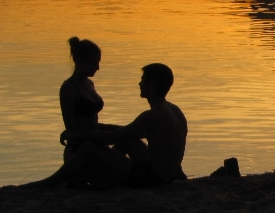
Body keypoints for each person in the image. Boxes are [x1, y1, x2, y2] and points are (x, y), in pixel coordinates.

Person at [26, 57, 187, 189]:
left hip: (151, 179)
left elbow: (112, 137)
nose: (139, 84)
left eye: (143, 80)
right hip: (168, 174)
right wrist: (98, 128)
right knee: (126, 140)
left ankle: (50, 183)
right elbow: (127, 133)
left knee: (90, 148)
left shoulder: (153, 114)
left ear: (151, 85)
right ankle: (101, 173)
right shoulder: (172, 109)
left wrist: (77, 135)